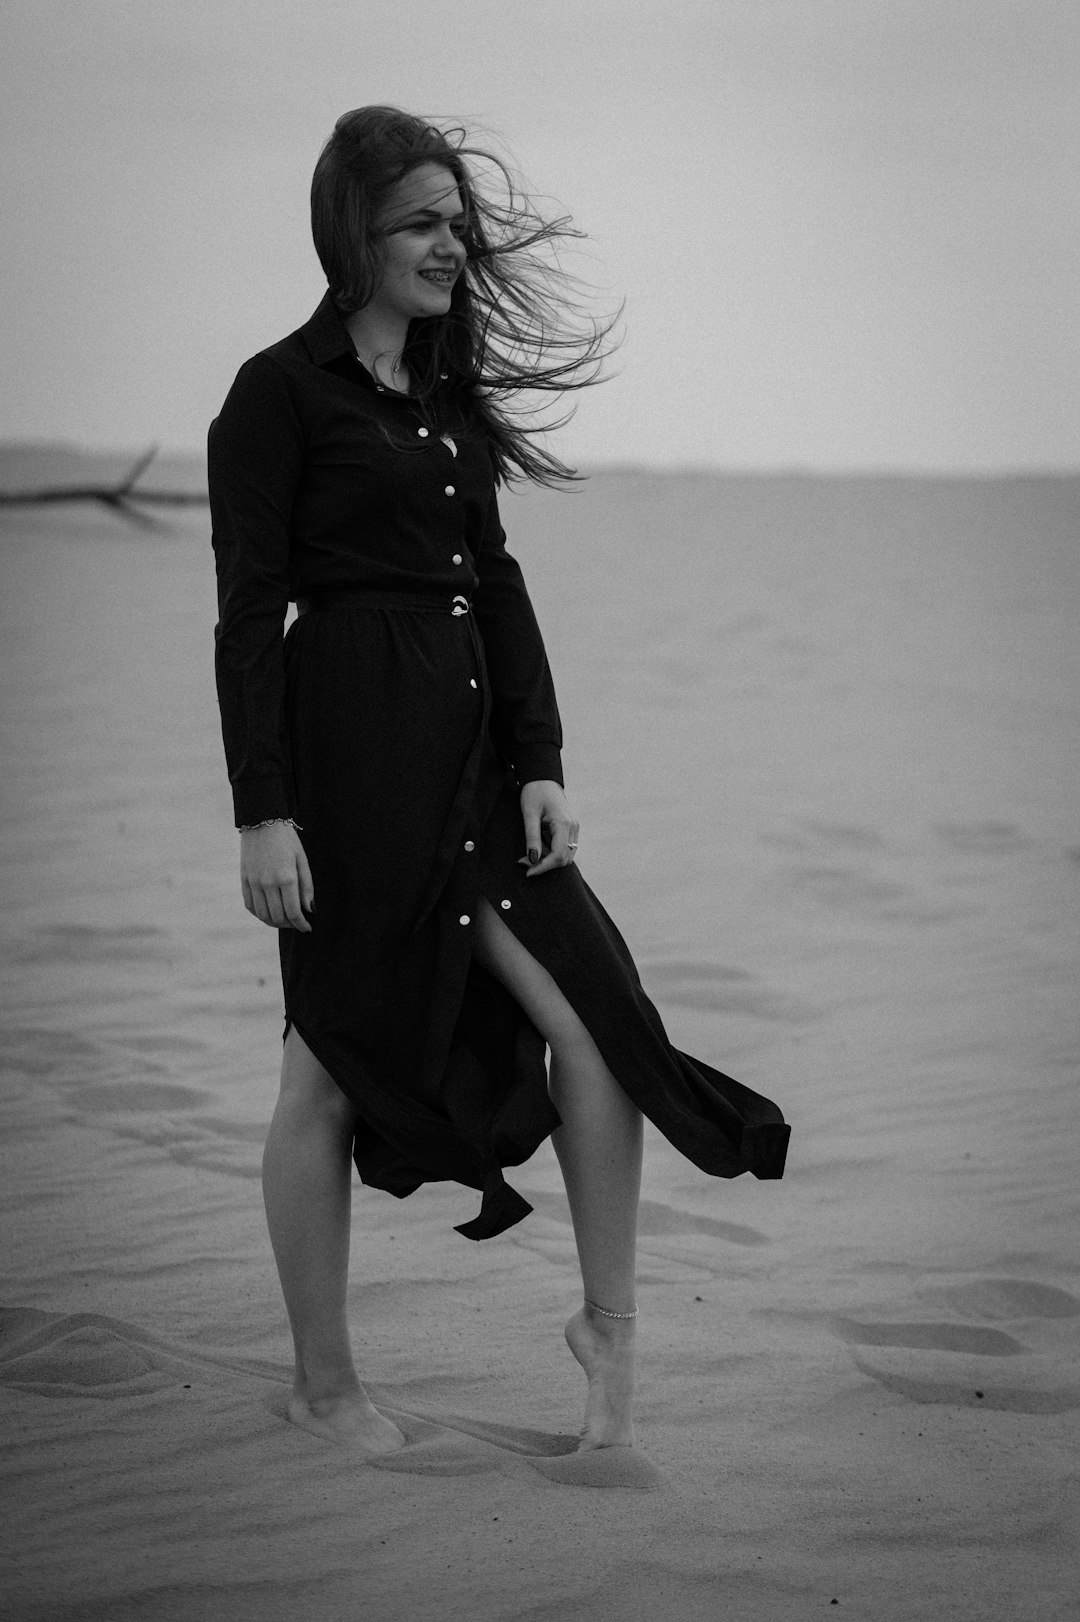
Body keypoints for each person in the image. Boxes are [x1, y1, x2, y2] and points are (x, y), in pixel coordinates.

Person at [208, 106, 790, 1459]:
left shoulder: (448, 403)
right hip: (350, 773)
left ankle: (608, 1335)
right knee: (326, 1072)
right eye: (424, 221)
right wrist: (263, 808)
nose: (452, 247)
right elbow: (248, 618)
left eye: (457, 223)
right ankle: (323, 1383)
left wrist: (542, 760)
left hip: (475, 771)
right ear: (352, 230)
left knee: (604, 1031)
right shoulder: (277, 395)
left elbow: (498, 583)